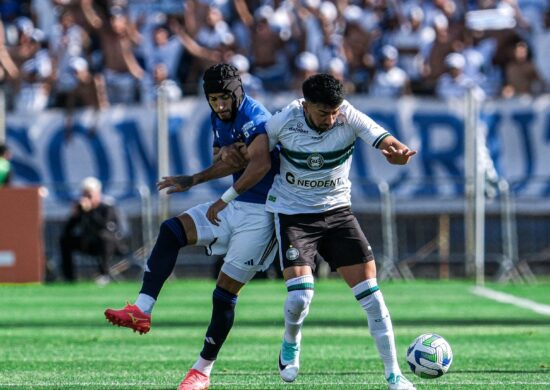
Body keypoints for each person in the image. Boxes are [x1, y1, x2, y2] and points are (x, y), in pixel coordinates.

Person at [207, 73, 417, 389]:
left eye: (334, 112)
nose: (331, 119)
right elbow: (256, 155)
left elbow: (385, 140)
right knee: (301, 296)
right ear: (306, 105)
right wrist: (228, 164)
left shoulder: (348, 115)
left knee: (373, 299)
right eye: (323, 113)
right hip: (294, 216)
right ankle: (291, 341)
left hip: (338, 215)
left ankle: (394, 375)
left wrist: (396, 151)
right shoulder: (283, 121)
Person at [104, 63, 279, 390]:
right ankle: (142, 309)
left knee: (224, 292)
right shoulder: (219, 117)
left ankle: (202, 371)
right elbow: (222, 160)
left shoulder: (256, 116)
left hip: (261, 214)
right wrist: (195, 178)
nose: (220, 105)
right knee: (171, 230)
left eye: (225, 98)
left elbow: (260, 164)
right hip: (235, 205)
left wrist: (223, 193)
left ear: (237, 92)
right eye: (214, 99)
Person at [59, 176, 126, 284]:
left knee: (104, 237)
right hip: (89, 243)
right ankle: (69, 278)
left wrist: (90, 211)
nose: (86, 198)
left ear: (97, 194)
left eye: (89, 195)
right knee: (65, 240)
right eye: (84, 195)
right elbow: (68, 230)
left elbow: (105, 227)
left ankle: (104, 274)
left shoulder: (107, 207)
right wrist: (74, 215)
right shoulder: (81, 208)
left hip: (110, 245)